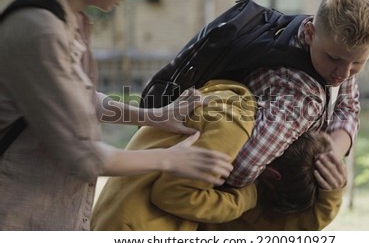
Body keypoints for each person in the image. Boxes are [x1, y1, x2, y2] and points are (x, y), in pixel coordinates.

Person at [0, 0, 233, 231]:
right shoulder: (40, 29)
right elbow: (85, 158)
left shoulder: (69, 19)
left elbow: (81, 98)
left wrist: (154, 116)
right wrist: (171, 159)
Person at [91, 80, 345, 231]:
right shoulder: (231, 126)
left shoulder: (239, 118)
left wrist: (329, 198)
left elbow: (275, 229)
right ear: (271, 176)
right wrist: (247, 196)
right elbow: (172, 194)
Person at [225, 0, 369, 188]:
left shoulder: (323, 37)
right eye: (335, 59)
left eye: (358, 62)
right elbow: (240, 171)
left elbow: (347, 108)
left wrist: (330, 155)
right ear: (311, 33)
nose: (344, 73)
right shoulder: (302, 97)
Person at [200, 131, 345, 230]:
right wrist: (330, 198)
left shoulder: (224, 200)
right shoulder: (287, 224)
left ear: (271, 175)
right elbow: (307, 225)